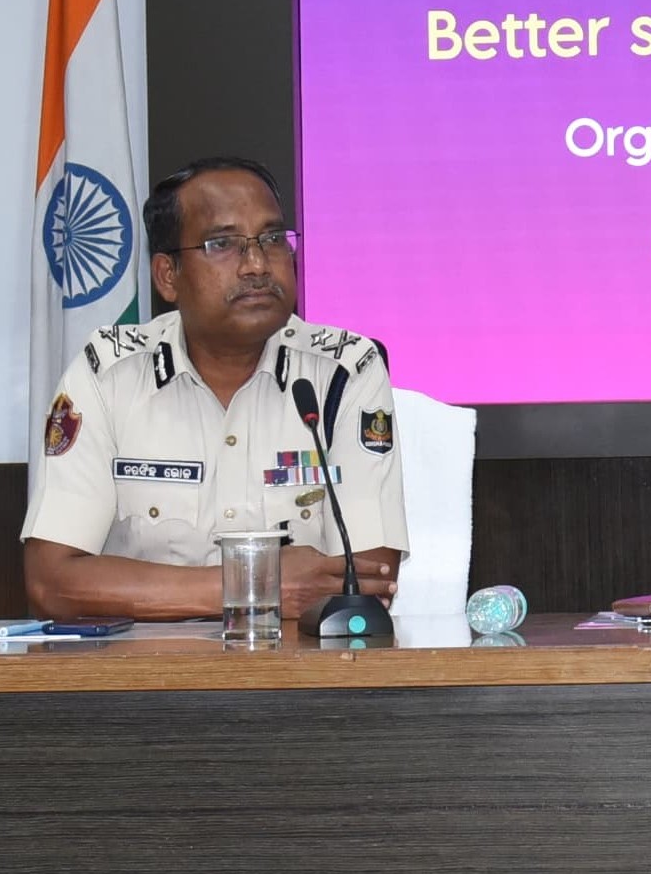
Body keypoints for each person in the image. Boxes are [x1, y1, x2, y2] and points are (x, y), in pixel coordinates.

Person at [21, 159, 405, 620]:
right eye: (222, 244)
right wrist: (254, 585)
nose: (257, 265)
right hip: (145, 665)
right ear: (167, 275)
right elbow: (51, 583)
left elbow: (370, 582)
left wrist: (180, 592)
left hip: (297, 663)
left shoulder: (344, 371)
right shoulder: (109, 374)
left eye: (271, 239)